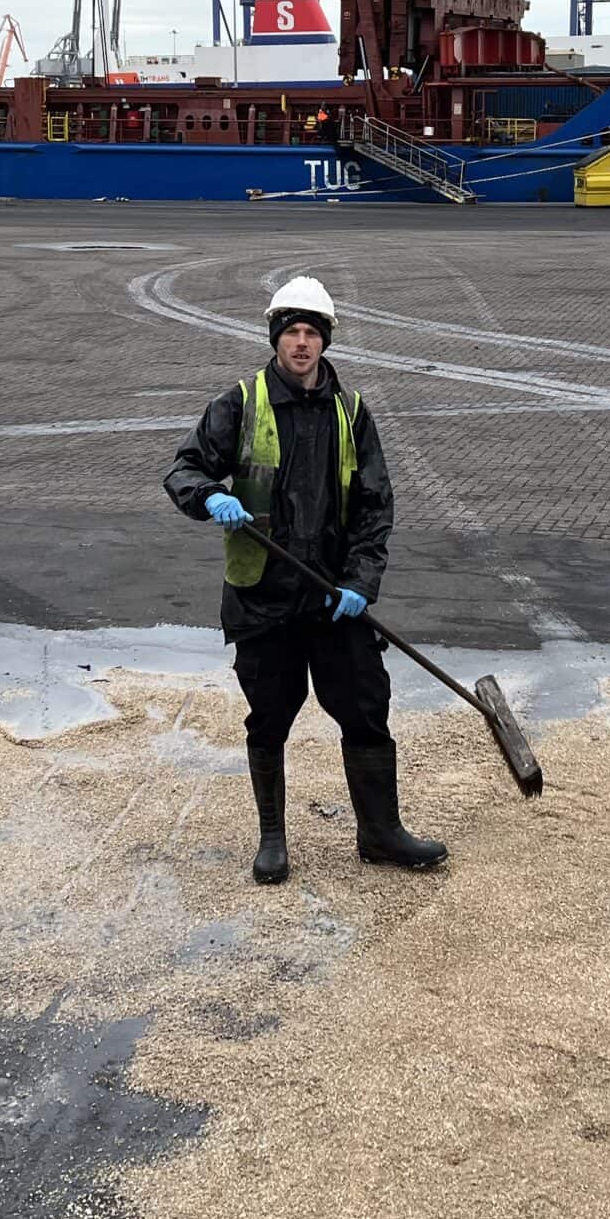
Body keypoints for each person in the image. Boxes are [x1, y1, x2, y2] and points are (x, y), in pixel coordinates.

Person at [163, 275, 448, 885]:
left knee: (366, 710)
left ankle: (380, 833)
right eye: (291, 332)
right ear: (275, 338)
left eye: (310, 333)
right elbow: (183, 469)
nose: (300, 343)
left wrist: (361, 583)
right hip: (264, 598)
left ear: (325, 342)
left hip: (334, 600)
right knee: (269, 717)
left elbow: (376, 508)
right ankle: (272, 839)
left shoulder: (352, 413)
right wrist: (210, 495)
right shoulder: (240, 404)